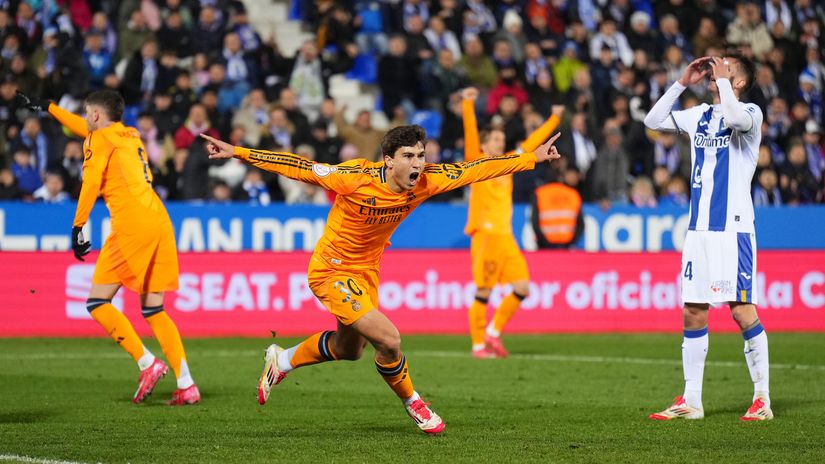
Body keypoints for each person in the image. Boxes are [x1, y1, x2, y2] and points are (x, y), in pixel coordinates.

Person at [199, 124, 562, 434]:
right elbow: (300, 166)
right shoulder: (355, 176)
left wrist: (530, 158)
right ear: (388, 160)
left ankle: (283, 359)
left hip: (367, 271)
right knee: (389, 340)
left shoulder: (429, 180)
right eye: (408, 156)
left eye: (420, 155)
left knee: (349, 350)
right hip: (331, 269)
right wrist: (238, 152)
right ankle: (414, 403)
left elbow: (477, 168)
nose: (417, 163)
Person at [16, 90, 199, 405]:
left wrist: (78, 226)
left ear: (97, 115)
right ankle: (187, 385)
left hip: (131, 225)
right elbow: (83, 128)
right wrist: (49, 108)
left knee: (97, 301)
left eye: (88, 113)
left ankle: (147, 363)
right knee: (154, 309)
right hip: (159, 220)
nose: (86, 119)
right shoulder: (129, 134)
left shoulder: (100, 139)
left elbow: (91, 182)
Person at [643, 54, 771, 421]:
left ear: (740, 81)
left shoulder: (749, 113)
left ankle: (761, 398)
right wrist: (681, 82)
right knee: (693, 311)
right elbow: (652, 121)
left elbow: (732, 117)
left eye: (726, 66)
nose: (716, 69)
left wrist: (724, 84)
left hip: (733, 229)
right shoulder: (699, 113)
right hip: (698, 230)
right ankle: (692, 401)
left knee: (742, 311)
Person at [461, 86, 563, 358]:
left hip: (506, 237)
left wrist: (554, 119)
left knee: (522, 288)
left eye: (501, 138)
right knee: (483, 291)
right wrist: (468, 105)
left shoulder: (507, 163)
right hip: (485, 234)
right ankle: (478, 346)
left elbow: (531, 145)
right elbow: (470, 136)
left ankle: (493, 332)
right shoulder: (476, 163)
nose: (499, 142)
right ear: (483, 144)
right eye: (494, 139)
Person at [531, 169, 584, 249]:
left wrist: (543, 242)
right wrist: (572, 243)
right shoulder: (573, 194)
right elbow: (580, 224)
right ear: (561, 178)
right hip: (566, 245)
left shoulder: (539, 193)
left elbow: (534, 221)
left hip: (545, 246)